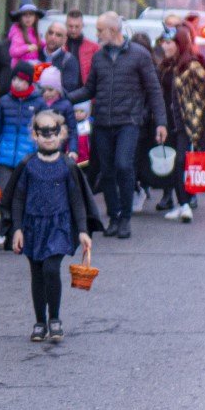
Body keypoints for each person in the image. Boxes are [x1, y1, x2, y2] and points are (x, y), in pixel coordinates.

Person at [0, 111, 95, 343]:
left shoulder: (67, 165)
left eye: (53, 132)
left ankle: (55, 318)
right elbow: (18, 198)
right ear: (35, 135)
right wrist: (18, 228)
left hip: (58, 226)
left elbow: (76, 200)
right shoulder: (28, 165)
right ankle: (40, 321)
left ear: (61, 134)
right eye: (44, 132)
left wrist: (82, 230)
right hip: (33, 226)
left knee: (51, 269)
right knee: (37, 274)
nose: (49, 137)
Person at [69, 13, 166, 240]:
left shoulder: (139, 56)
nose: (97, 34)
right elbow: (89, 89)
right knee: (107, 171)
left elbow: (154, 90)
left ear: (114, 31)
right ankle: (113, 217)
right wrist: (64, 98)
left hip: (129, 122)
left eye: (101, 30)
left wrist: (161, 122)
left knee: (124, 165)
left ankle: (125, 218)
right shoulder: (99, 57)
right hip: (102, 122)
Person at [0, 61, 46, 246]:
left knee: (24, 196)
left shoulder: (39, 103)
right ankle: (8, 225)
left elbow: (44, 129)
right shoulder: (4, 101)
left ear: (30, 83)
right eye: (15, 78)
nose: (17, 83)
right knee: (3, 194)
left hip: (28, 158)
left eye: (22, 80)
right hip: (6, 158)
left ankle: (19, 231)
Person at [156, 27, 205, 223]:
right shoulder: (165, 66)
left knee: (183, 161)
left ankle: (186, 203)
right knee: (175, 164)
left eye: (169, 42)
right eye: (164, 42)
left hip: (189, 122)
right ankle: (181, 203)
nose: (165, 46)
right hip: (167, 121)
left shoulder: (191, 65)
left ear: (179, 44)